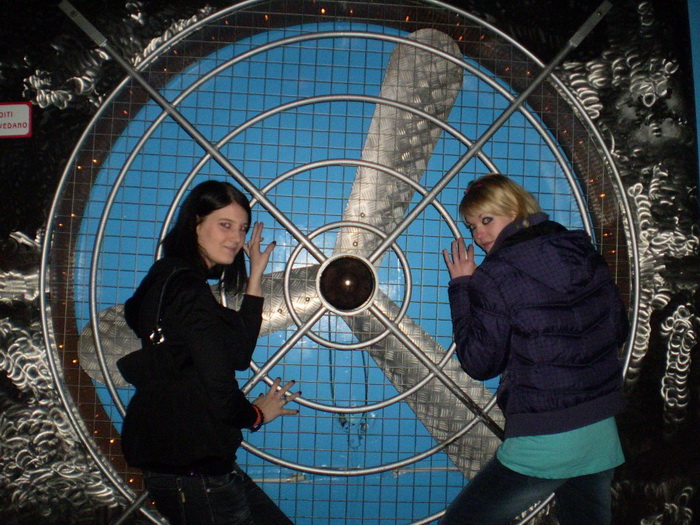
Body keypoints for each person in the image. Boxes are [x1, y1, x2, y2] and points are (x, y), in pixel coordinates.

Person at [440, 174, 629, 525]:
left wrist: (462, 286)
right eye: (472, 226)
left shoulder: (495, 274)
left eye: (486, 220)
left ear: (514, 210)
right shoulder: (580, 250)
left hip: (547, 433)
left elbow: (479, 362)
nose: (479, 235)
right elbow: (618, 327)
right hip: (600, 426)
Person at [119, 180, 300, 524]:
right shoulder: (188, 289)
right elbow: (219, 384)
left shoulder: (171, 278)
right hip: (194, 474)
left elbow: (238, 354)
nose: (236, 238)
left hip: (196, 469)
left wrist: (255, 276)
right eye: (225, 224)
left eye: (242, 228)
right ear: (195, 223)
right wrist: (255, 415)